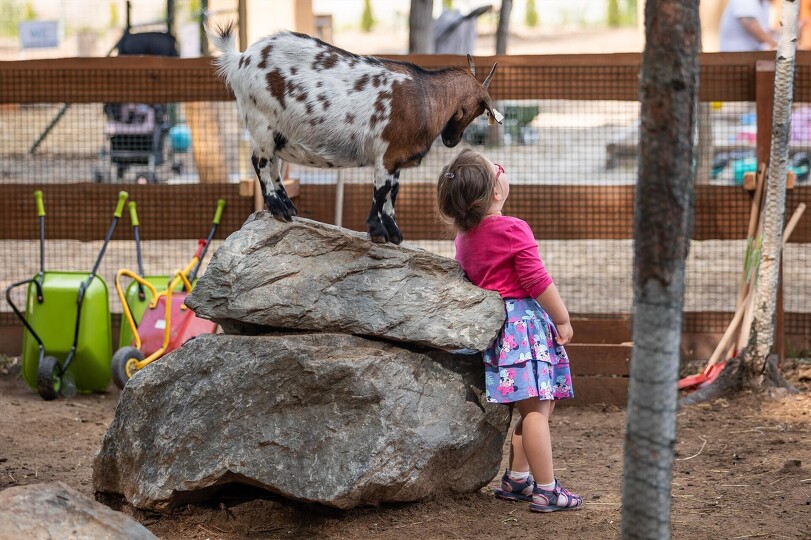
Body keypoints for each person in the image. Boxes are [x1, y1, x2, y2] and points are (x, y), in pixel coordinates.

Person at [435, 149, 582, 513]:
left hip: (498, 330)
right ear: (496, 192)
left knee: (528, 408)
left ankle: (517, 479)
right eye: (498, 169)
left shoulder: (465, 236)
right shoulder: (512, 228)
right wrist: (561, 318)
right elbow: (535, 279)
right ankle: (547, 489)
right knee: (536, 412)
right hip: (524, 329)